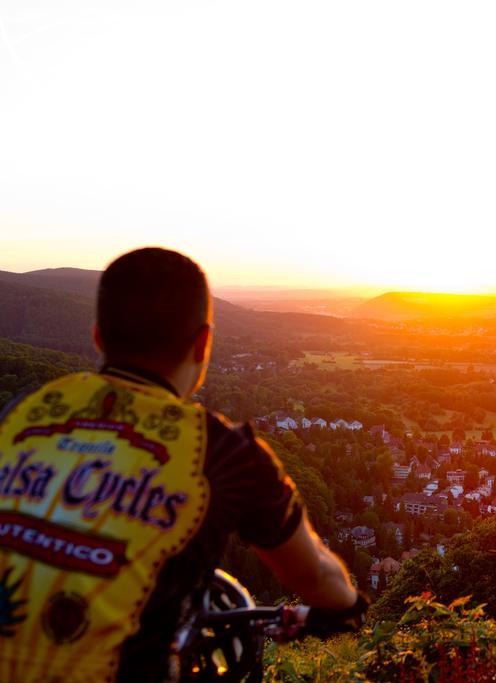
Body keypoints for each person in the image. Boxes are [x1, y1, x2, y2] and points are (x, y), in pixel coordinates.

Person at [0, 248, 364, 682]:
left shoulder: (23, 413)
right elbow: (315, 575)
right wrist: (346, 610)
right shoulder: (223, 452)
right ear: (203, 342)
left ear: (98, 337)